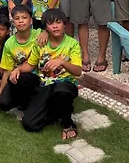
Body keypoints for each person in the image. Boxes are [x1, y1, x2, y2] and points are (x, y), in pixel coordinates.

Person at [19, 8, 82, 139]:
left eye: (58, 22)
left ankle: (67, 124)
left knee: (61, 90)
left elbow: (78, 71)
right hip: (44, 86)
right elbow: (30, 65)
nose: (55, 26)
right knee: (29, 124)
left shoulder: (72, 44)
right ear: (46, 28)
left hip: (65, 84)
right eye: (51, 23)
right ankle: (52, 113)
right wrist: (17, 70)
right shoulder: (40, 43)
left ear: (64, 25)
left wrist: (62, 62)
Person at [0, 4, 46, 115]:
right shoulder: (9, 43)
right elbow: (7, 71)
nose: (21, 21)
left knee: (23, 77)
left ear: (31, 20)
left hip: (38, 78)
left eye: (24, 17)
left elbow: (54, 33)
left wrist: (45, 32)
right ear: (13, 22)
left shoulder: (39, 35)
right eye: (17, 18)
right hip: (18, 78)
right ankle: (23, 100)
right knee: (3, 103)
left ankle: (30, 103)